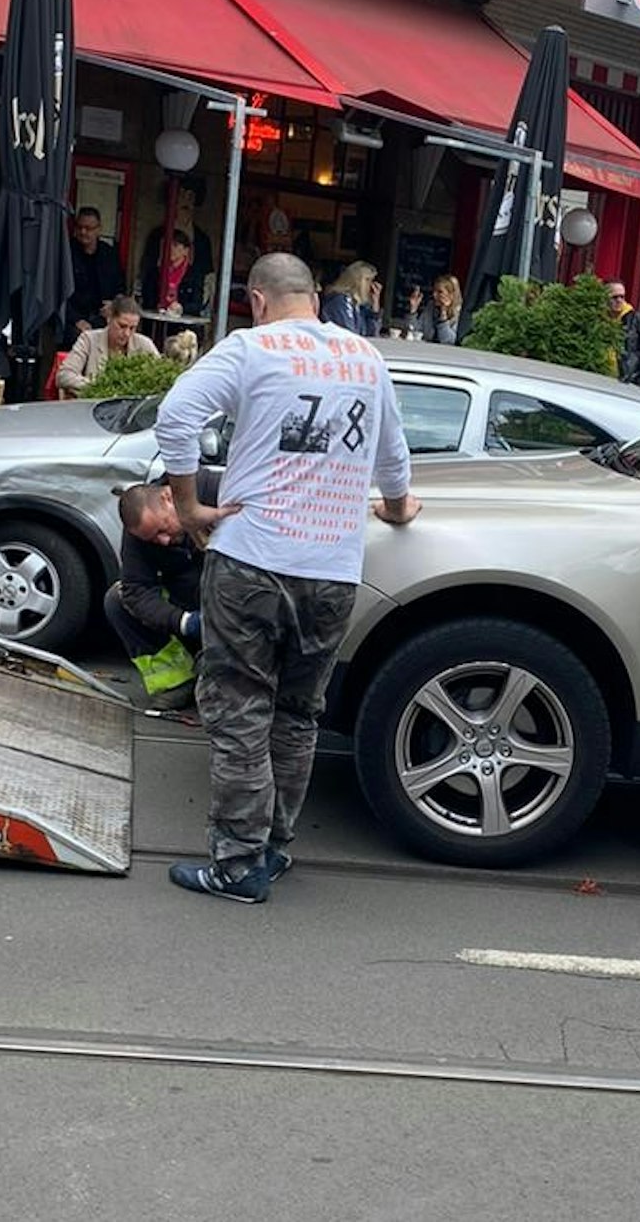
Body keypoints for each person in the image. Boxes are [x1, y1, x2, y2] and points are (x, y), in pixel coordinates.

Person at [151, 251, 419, 904]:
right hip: (332, 570)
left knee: (240, 711)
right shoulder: (366, 357)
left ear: (258, 299)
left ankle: (237, 864)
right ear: (316, 298)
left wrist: (189, 509)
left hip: (253, 561)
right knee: (297, 713)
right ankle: (275, 846)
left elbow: (176, 419)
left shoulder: (251, 349)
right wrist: (396, 505)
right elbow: (392, 455)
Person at [109, 482, 205, 707]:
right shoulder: (140, 530)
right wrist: (183, 622)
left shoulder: (211, 492)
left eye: (163, 529)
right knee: (117, 599)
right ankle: (178, 682)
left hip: (233, 601)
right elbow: (135, 589)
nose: (162, 541)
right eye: (152, 538)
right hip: (188, 607)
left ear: (169, 498)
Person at [55, 295, 158, 396]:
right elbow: (64, 375)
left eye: (132, 328)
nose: (127, 333)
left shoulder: (144, 344)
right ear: (109, 319)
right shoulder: (89, 339)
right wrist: (100, 388)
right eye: (122, 326)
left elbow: (161, 376)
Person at [140, 180, 214, 314]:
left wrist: (184, 309)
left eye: (190, 196)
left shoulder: (202, 240)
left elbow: (206, 285)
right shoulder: (157, 235)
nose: (186, 201)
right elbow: (144, 279)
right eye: (181, 195)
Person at [67, 206, 125, 332]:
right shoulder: (67, 252)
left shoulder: (109, 254)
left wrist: (113, 305)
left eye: (88, 228)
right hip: (72, 319)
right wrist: (76, 319)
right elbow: (57, 291)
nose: (83, 232)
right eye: (79, 227)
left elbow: (120, 287)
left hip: (102, 317)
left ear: (98, 229)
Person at [320, 260, 382, 337]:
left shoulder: (359, 306)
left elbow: (372, 335)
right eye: (368, 280)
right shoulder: (340, 301)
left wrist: (375, 304)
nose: (371, 285)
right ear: (357, 281)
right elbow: (348, 334)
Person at [406, 273, 461, 344]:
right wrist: (413, 309)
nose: (434, 295)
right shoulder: (431, 306)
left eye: (440, 292)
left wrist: (443, 314)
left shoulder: (460, 312)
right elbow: (415, 331)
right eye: (434, 291)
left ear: (451, 295)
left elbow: (448, 341)